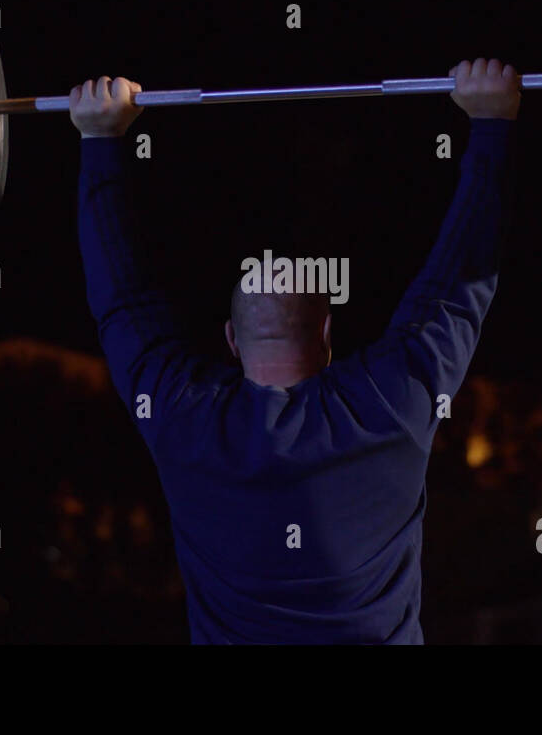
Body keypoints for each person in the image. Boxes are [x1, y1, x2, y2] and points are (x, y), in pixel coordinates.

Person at [69, 59, 519, 643]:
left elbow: (122, 298)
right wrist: (490, 125)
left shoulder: (184, 420)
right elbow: (457, 286)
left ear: (232, 340)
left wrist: (99, 139)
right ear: (326, 333)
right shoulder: (388, 405)